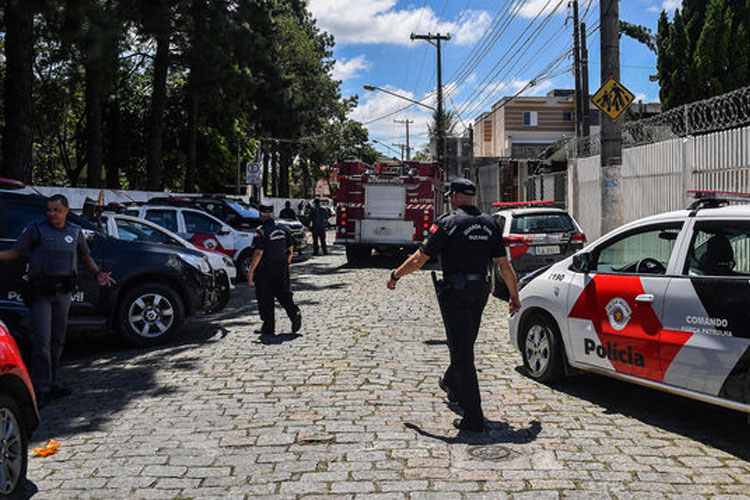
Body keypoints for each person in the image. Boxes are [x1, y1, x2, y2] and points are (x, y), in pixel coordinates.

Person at [386, 178, 521, 433]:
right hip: (481, 291)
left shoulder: (447, 223)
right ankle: (452, 384)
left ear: (456, 196)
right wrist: (515, 296)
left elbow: (418, 259)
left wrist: (396, 275)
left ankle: (474, 417)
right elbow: (505, 265)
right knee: (465, 345)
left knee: (463, 354)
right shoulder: (490, 223)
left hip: (456, 294)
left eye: (450, 196)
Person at [0, 194, 116, 408]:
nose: (51, 214)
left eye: (56, 210)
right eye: (49, 210)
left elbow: (85, 256)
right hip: (41, 292)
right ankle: (40, 388)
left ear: (65, 210)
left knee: (57, 340)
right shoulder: (36, 230)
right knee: (42, 342)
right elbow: (15, 252)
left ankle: (54, 383)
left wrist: (97, 273)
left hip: (63, 292)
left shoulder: (74, 232)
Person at [247, 204, 302, 336]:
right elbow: (290, 248)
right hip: (281, 268)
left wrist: (251, 271)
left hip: (265, 271)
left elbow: (258, 252)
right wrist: (287, 264)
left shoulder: (261, 232)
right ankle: (294, 313)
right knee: (284, 294)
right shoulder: (283, 228)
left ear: (260, 215)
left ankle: (268, 326)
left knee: (265, 298)